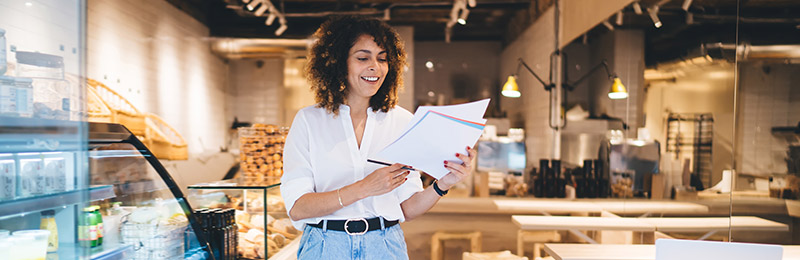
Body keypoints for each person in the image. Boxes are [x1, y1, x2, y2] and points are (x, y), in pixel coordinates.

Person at [280, 15, 476, 260]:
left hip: (384, 245)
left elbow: (407, 207)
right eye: (363, 58)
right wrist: (364, 188)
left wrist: (443, 183)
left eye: (382, 59)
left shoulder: (402, 121)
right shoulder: (309, 121)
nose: (375, 66)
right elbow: (298, 208)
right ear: (339, 63)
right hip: (324, 246)